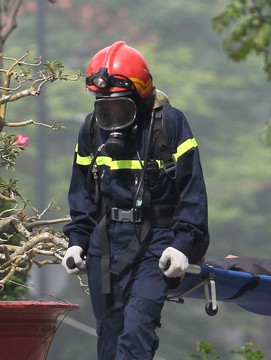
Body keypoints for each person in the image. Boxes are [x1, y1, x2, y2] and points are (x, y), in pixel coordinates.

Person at [61, 41, 210, 360]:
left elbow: (191, 189)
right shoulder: (90, 129)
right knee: (109, 336)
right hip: (107, 242)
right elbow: (82, 192)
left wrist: (183, 244)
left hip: (157, 241)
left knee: (137, 329)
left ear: (139, 99)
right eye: (105, 106)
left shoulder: (168, 124)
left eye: (120, 106)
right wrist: (77, 240)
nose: (111, 115)